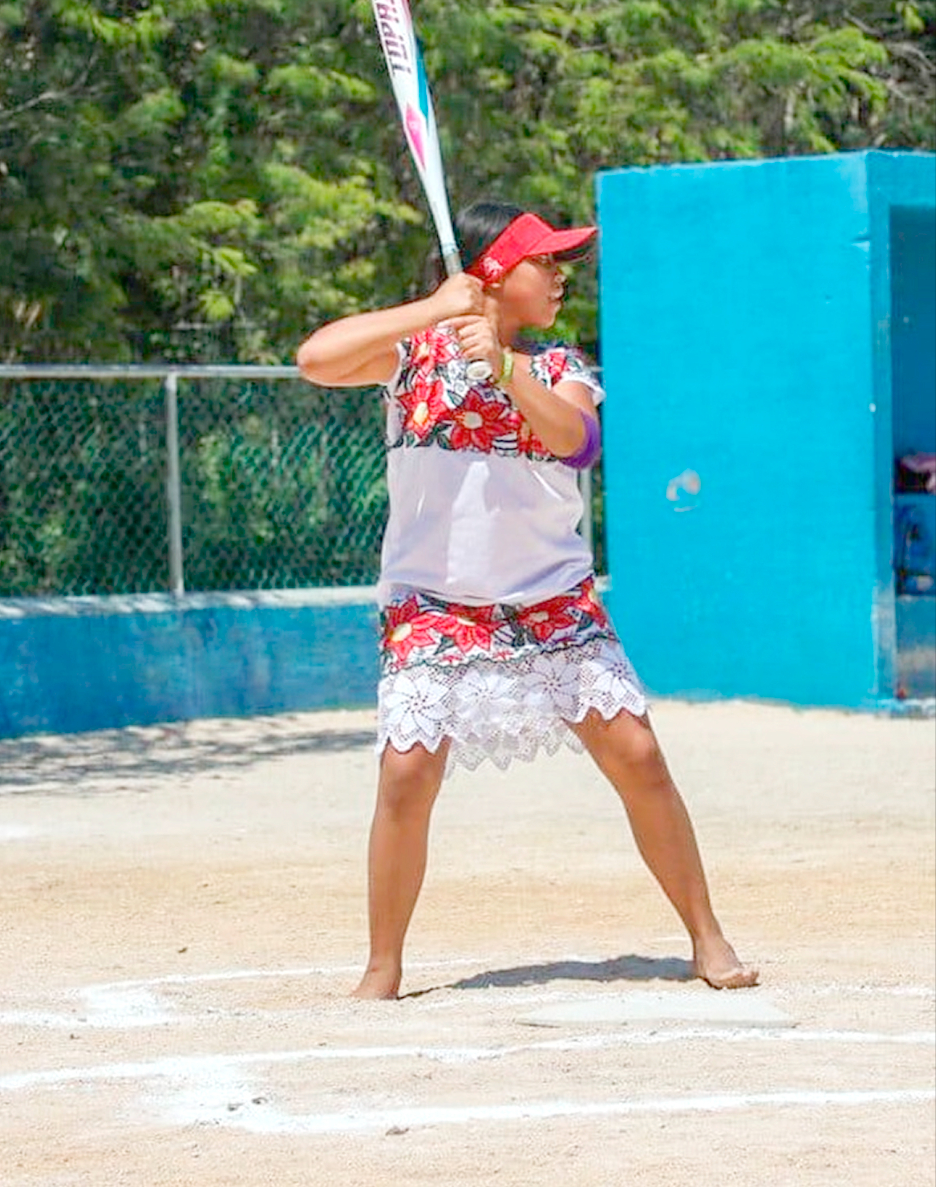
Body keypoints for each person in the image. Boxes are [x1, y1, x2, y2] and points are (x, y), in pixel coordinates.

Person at [297, 202, 758, 1000]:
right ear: (495, 272)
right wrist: (435, 311)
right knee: (406, 773)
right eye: (545, 263)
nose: (559, 279)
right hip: (435, 603)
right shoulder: (412, 356)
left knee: (640, 758)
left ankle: (705, 936)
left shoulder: (557, 364)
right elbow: (315, 358)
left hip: (550, 601)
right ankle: (382, 965)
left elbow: (577, 442)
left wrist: (504, 368)